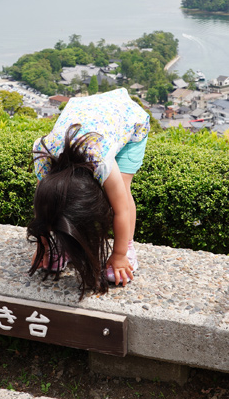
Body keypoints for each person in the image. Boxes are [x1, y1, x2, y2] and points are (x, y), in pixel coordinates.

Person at [28, 87, 149, 297]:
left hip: (127, 118)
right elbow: (44, 210)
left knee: (122, 188)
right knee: (57, 207)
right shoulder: (43, 155)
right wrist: (45, 247)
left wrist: (119, 254)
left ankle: (128, 247)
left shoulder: (101, 161)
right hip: (85, 112)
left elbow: (121, 210)